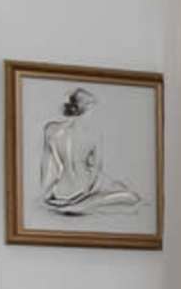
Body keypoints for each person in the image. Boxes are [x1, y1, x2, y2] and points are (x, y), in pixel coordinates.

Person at [40, 87, 144, 217]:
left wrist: (47, 193)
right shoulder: (94, 134)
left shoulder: (51, 129)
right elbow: (96, 173)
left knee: (116, 186)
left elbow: (47, 168)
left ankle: (71, 205)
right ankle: (77, 206)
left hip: (60, 191)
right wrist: (88, 192)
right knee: (131, 197)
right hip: (83, 191)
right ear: (88, 109)